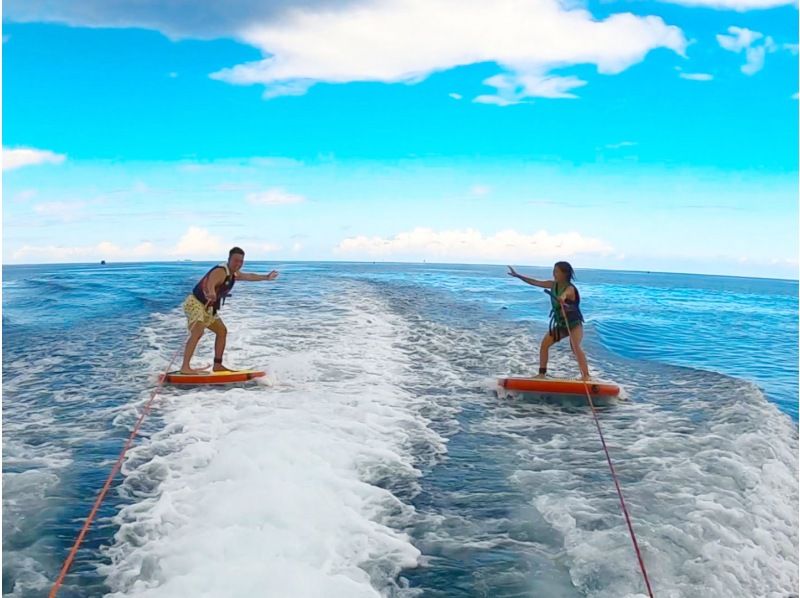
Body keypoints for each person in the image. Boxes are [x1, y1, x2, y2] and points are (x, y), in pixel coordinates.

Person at [179, 247, 278, 374]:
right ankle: (185, 367)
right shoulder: (221, 271)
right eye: (236, 260)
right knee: (198, 332)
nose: (238, 264)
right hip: (195, 303)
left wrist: (266, 277)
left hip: (208, 308)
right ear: (229, 259)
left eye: (241, 261)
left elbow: (249, 276)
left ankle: (217, 365)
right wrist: (211, 292)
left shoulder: (234, 274)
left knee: (222, 331)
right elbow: (211, 282)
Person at [507, 262, 590, 380]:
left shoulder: (570, 288)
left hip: (574, 324)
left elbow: (566, 294)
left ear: (565, 273)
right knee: (544, 344)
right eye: (554, 271)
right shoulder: (552, 285)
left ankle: (586, 376)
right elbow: (535, 282)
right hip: (561, 324)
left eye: (556, 271)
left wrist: (562, 298)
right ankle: (541, 374)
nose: (554, 274)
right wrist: (518, 276)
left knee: (575, 346)